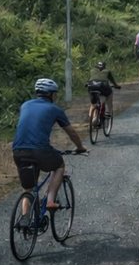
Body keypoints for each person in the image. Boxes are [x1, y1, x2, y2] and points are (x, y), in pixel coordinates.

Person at [12, 78, 87, 211]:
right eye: (55, 93)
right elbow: (72, 133)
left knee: (28, 189)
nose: (56, 96)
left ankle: (25, 218)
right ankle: (50, 201)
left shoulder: (25, 105)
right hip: (39, 150)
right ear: (51, 94)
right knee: (59, 165)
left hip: (18, 150)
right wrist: (80, 147)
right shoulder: (54, 109)